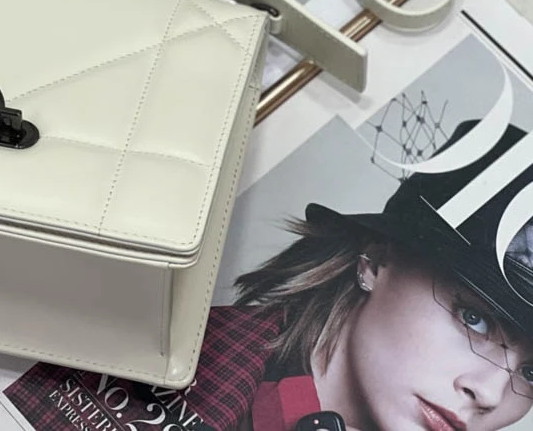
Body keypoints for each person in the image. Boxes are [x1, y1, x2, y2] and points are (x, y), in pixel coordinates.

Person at [187, 119, 533, 431]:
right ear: (376, 261)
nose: (489, 393)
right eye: (474, 318)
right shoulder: (183, 373)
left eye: (531, 373)